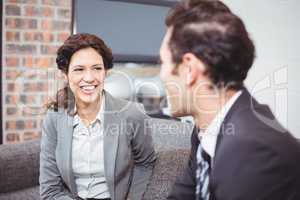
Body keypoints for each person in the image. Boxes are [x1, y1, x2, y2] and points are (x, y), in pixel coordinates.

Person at [159, 0, 300, 199]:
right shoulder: (205, 131)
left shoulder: (254, 150)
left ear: (189, 69)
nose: (162, 74)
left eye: (163, 62)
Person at [39, 33, 156, 200]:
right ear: (65, 75)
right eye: (79, 69)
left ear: (105, 72)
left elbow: (146, 162)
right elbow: (50, 189)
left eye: (97, 68)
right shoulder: (54, 118)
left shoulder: (132, 114)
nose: (89, 78)